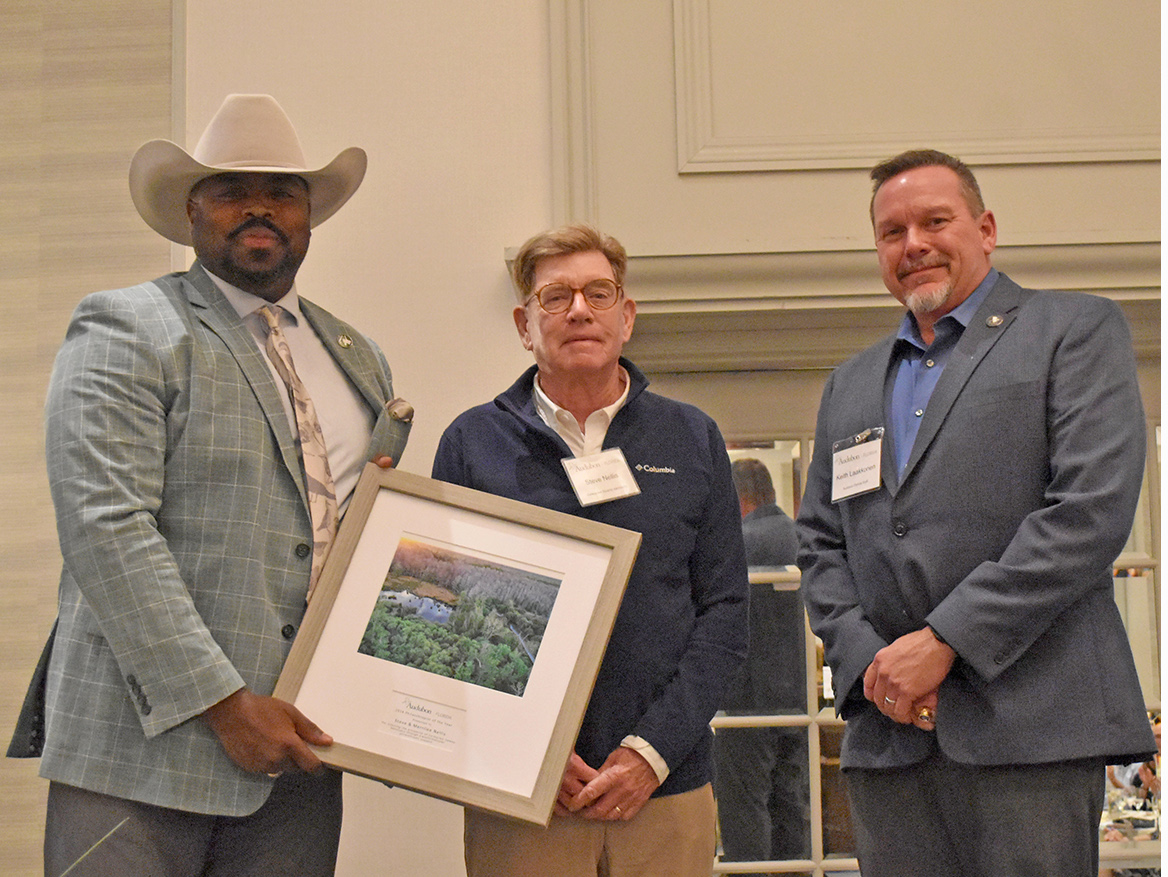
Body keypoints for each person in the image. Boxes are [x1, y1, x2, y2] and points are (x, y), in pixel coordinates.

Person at [27, 94, 411, 877]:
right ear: (193, 211)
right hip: (142, 747)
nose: (260, 208)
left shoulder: (358, 356)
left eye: (283, 191)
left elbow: (362, 544)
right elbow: (107, 528)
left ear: (310, 215)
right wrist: (227, 706)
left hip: (302, 757)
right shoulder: (127, 326)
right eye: (234, 190)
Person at [796, 148, 1150, 877]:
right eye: (892, 232)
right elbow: (821, 546)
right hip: (891, 742)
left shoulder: (1073, 331)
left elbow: (1087, 511)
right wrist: (873, 667)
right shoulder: (849, 384)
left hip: (1033, 732)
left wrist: (945, 639)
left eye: (935, 221)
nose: (913, 244)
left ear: (985, 229)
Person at [432, 224, 746, 876]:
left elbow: (725, 613)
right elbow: (455, 617)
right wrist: (533, 753)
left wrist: (651, 751)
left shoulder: (692, 437)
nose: (579, 309)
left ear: (625, 316)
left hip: (666, 788)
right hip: (523, 795)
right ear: (524, 324)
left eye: (598, 292)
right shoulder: (470, 443)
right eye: (556, 297)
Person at [714, 458, 806, 870]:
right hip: (797, 697)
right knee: (792, 803)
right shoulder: (799, 537)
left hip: (745, 698)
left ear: (737, 498)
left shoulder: (737, 544)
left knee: (745, 807)